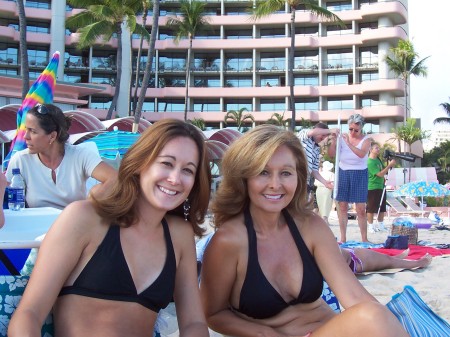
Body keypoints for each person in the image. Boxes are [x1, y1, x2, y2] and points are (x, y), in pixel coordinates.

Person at [8, 119, 212, 337]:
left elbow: (193, 323)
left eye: (188, 170)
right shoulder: (84, 219)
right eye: (166, 164)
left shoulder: (179, 235)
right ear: (141, 163)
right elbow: (29, 314)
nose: (175, 179)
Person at [200, 125, 408, 337]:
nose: (275, 184)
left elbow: (355, 297)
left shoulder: (310, 226)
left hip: (329, 328)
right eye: (263, 172)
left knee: (375, 315)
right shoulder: (229, 241)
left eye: (286, 173)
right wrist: (263, 333)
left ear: (298, 177)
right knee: (372, 316)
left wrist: (383, 322)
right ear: (243, 177)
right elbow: (214, 313)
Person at [5, 103, 117, 210]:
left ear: (52, 136)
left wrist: (95, 196)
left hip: (74, 224)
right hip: (36, 226)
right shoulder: (21, 160)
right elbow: (7, 201)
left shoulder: (81, 155)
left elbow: (116, 180)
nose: (25, 136)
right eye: (26, 130)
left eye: (33, 131)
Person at [328, 114, 371, 242]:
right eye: (350, 129)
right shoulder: (342, 138)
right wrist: (334, 141)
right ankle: (343, 238)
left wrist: (348, 143)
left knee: (361, 208)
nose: (352, 132)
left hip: (360, 172)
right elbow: (331, 155)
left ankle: (364, 238)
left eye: (355, 130)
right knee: (342, 206)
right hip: (343, 171)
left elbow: (361, 154)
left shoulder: (367, 140)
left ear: (361, 128)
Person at [367, 142, 396, 233]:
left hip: (381, 186)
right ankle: (370, 226)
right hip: (372, 186)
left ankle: (381, 224)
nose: (378, 149)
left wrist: (389, 165)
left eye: (378, 148)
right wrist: (389, 165)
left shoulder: (378, 160)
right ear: (371, 150)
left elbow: (383, 170)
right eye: (376, 148)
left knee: (382, 206)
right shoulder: (370, 162)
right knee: (371, 207)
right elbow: (379, 174)